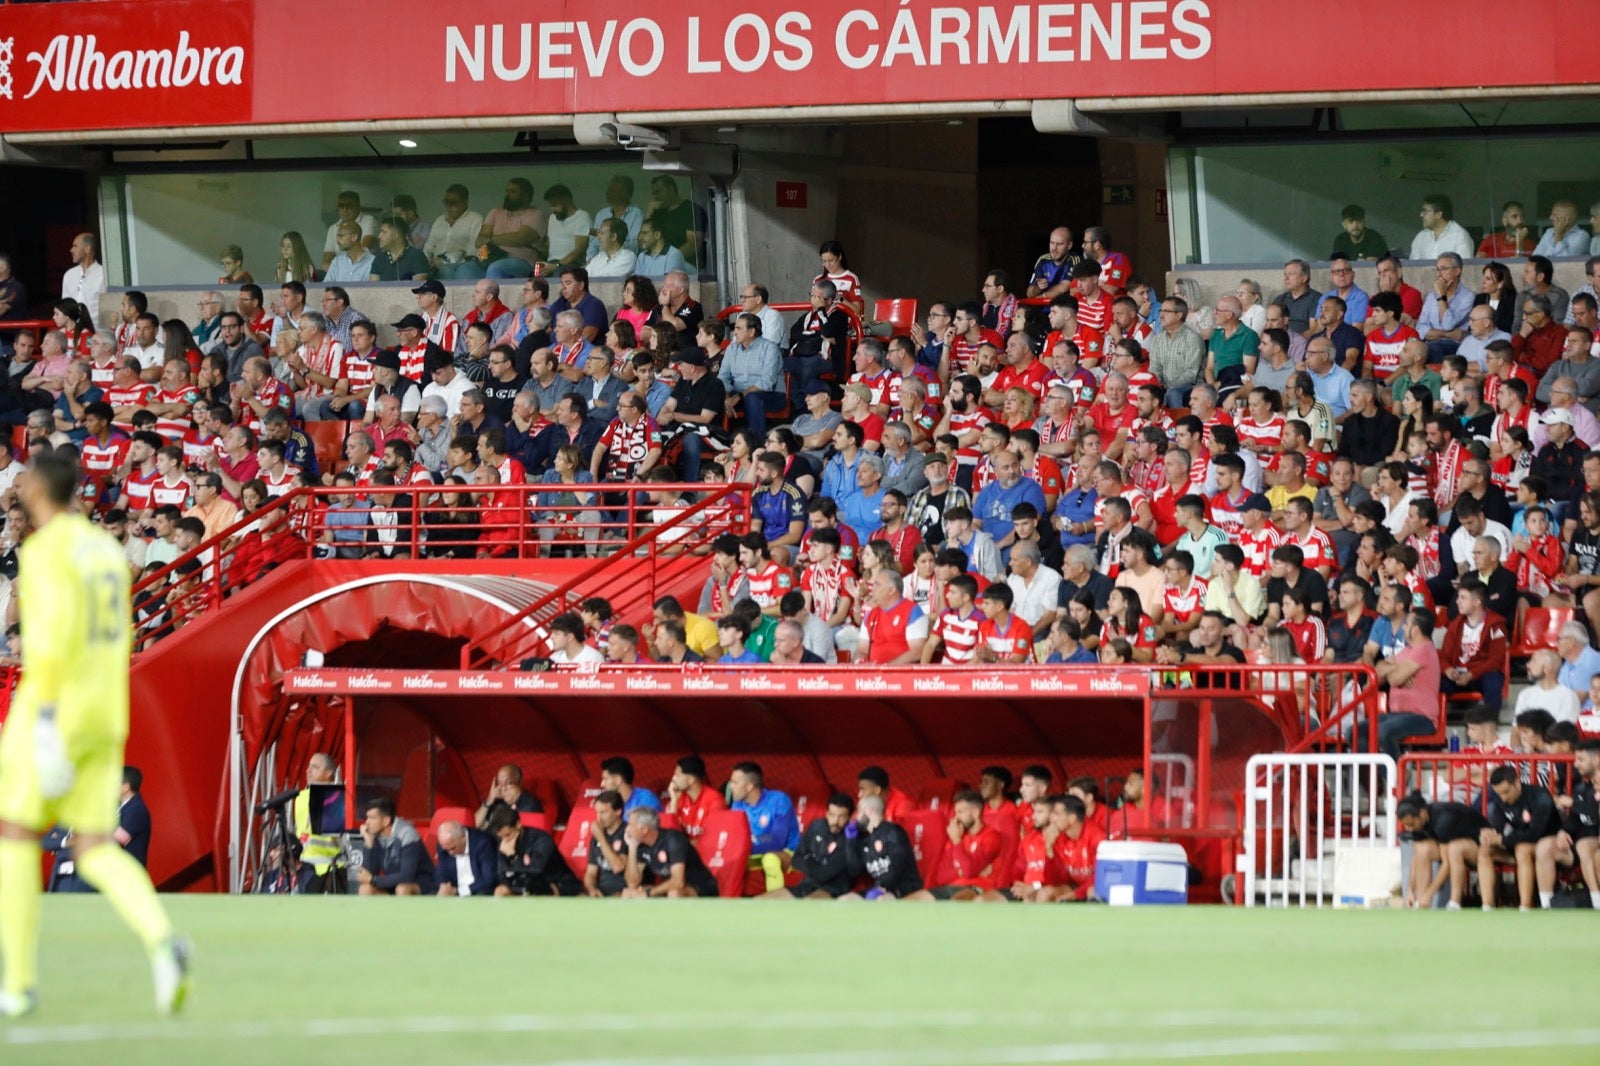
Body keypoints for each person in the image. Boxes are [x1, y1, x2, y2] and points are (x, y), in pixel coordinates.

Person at [0, 451, 190, 1018]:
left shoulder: (45, 549)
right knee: (93, 844)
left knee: (13, 834)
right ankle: (162, 940)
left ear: (35, 491)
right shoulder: (107, 549)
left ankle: (20, 980)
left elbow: (52, 637)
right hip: (107, 709)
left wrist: (52, 722)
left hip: (54, 708)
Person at [1363, 609, 1442, 761]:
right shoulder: (1407, 650)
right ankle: (1374, 780)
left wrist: (1394, 670)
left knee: (1384, 731)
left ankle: (1397, 779)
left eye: (1406, 624)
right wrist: (1396, 668)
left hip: (1422, 718)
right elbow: (1378, 670)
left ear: (1416, 629)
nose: (1403, 627)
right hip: (1398, 715)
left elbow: (1394, 680)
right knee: (1355, 731)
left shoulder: (1424, 649)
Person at [1478, 767, 1560, 910]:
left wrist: (1502, 839)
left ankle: (1525, 906)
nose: (1503, 798)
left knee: (1523, 849)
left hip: (1547, 847)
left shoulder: (1539, 796)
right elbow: (1497, 826)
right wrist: (1489, 835)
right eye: (1499, 794)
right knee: (1484, 851)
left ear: (1517, 783)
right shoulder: (1499, 800)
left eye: (1506, 792)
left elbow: (1535, 834)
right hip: (1516, 844)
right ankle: (1487, 907)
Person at [1395, 795, 1488, 909]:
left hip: (1482, 847)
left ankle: (1454, 903)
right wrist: (1410, 889)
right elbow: (1417, 856)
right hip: (1454, 849)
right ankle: (1420, 903)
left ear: (1422, 813)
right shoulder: (1419, 823)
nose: (1409, 829)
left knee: (1454, 849)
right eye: (1406, 825)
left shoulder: (1443, 820)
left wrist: (1429, 893)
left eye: (1411, 824)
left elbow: (1447, 864)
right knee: (1422, 849)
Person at [763, 793, 856, 900]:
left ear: (849, 817)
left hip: (832, 889)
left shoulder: (850, 837)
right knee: (760, 902)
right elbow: (796, 859)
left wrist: (807, 858)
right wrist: (813, 864)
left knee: (805, 907)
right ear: (826, 813)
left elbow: (823, 875)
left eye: (841, 817)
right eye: (832, 815)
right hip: (807, 884)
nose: (835, 821)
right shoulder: (817, 825)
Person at [485, 805, 580, 897]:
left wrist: (513, 856)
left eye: (508, 835)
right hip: (525, 883)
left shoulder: (541, 839)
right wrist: (513, 886)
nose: (505, 840)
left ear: (518, 825)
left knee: (530, 890)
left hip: (557, 883)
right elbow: (502, 874)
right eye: (501, 836)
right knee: (501, 891)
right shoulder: (503, 841)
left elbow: (536, 869)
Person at [843, 793, 924, 900]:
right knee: (846, 900)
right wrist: (850, 842)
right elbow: (854, 870)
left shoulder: (893, 831)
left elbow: (897, 862)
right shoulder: (866, 840)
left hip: (904, 888)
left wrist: (881, 886)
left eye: (859, 811)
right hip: (879, 889)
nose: (856, 817)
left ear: (868, 811)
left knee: (882, 900)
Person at [354, 796, 435, 898]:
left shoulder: (407, 834)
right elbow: (368, 874)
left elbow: (407, 876)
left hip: (421, 884)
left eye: (372, 818)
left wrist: (373, 880)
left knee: (402, 889)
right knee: (365, 889)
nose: (367, 822)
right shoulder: (375, 835)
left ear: (386, 821)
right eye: (367, 817)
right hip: (393, 884)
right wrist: (369, 844)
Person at [433, 820, 498, 898]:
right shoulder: (445, 845)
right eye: (446, 849)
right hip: (454, 889)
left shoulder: (483, 843)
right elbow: (441, 871)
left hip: (477, 891)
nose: (450, 853)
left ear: (463, 837)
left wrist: (458, 891)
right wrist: (443, 886)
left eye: (453, 848)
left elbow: (489, 879)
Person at [1409, 194, 1473, 260]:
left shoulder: (1460, 236)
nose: (1421, 215)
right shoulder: (1420, 237)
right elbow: (1412, 267)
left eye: (1425, 211)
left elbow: (1465, 268)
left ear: (1438, 215)